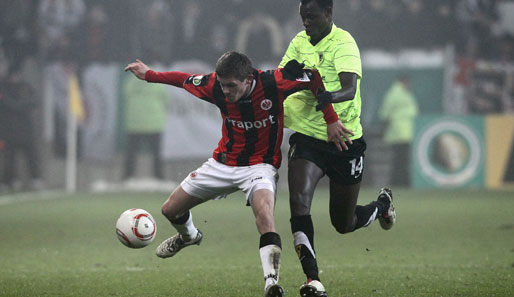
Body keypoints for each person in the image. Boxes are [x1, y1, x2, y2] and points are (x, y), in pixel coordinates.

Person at [125, 51, 349, 297]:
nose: (226, 91)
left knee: (264, 214)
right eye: (223, 85)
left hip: (260, 166)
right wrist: (149, 75)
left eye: (231, 86)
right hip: (222, 164)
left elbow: (314, 77)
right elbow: (183, 79)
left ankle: (271, 283)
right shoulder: (215, 86)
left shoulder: (273, 82)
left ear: (247, 79)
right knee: (169, 210)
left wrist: (331, 119)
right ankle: (189, 236)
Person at [278, 1, 396, 296]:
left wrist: (327, 98)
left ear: (329, 15)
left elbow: (349, 89)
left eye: (312, 16)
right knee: (298, 203)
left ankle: (382, 205)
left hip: (345, 140)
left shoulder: (344, 43)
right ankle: (312, 280)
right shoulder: (299, 41)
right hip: (308, 138)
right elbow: (282, 77)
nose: (306, 22)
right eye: (303, 16)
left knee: (343, 223)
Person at [122, 54, 170, 181]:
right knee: (156, 154)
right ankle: (159, 178)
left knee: (131, 154)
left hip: (135, 123)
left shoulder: (131, 80)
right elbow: (166, 99)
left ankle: (128, 177)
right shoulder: (158, 78)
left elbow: (125, 94)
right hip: (154, 122)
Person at [379, 75, 419, 187]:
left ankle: (399, 181)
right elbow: (385, 113)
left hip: (402, 132)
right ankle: (400, 182)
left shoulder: (398, 93)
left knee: (400, 159)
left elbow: (385, 113)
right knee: (401, 160)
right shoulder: (396, 93)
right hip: (400, 132)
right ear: (405, 81)